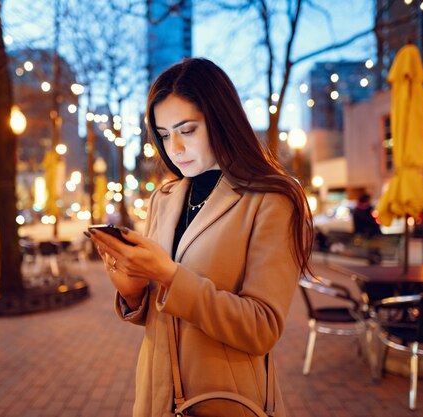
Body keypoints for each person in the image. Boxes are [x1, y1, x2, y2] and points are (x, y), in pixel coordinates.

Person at [86, 58, 313, 417]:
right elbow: (163, 315)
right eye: (163, 134)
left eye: (186, 130)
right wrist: (132, 291)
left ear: (222, 120)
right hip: (156, 396)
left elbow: (262, 327)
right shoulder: (164, 198)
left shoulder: (271, 200)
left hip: (224, 399)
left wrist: (169, 276)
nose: (174, 147)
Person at [352, 193, 382, 264]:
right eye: (369, 200)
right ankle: (373, 257)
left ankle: (375, 257)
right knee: (371, 245)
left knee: (375, 244)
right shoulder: (359, 211)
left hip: (373, 232)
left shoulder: (369, 209)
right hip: (367, 233)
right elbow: (365, 222)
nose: (370, 202)